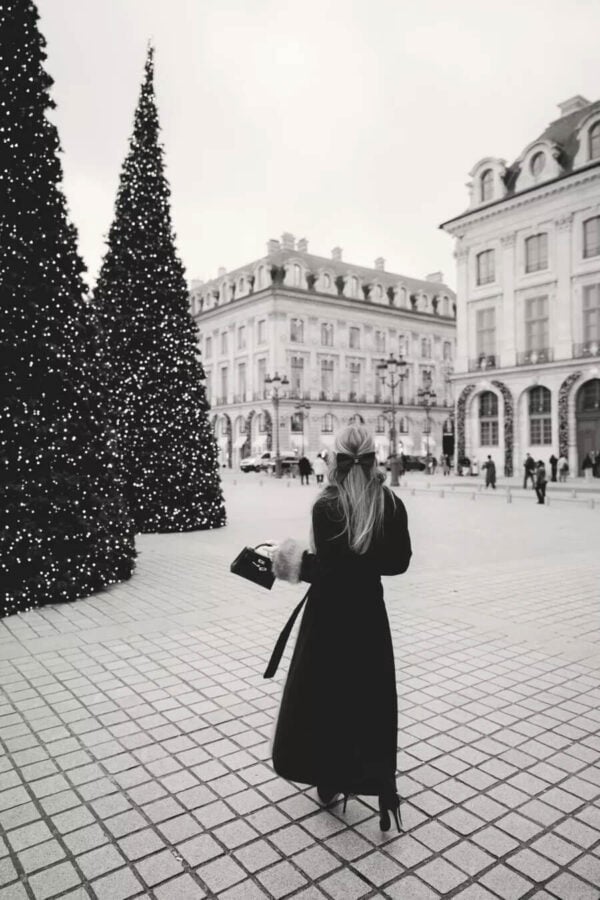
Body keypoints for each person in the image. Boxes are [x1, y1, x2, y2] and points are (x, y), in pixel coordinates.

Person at [261, 425, 412, 833]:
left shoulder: (326, 505)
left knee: (325, 692)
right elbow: (399, 563)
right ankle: (368, 771)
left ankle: (327, 776)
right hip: (368, 615)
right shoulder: (390, 503)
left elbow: (329, 570)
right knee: (368, 692)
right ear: (372, 457)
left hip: (329, 615)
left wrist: (289, 559)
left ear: (336, 458)